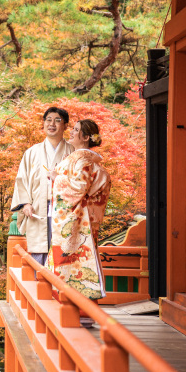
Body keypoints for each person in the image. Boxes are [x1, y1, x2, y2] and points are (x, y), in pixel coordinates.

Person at [47, 119, 111, 304]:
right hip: (80, 217)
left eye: (76, 130)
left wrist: (56, 178)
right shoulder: (83, 158)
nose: (71, 132)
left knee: (74, 261)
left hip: (77, 219)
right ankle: (78, 306)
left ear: (85, 137)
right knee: (76, 261)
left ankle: (76, 308)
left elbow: (80, 187)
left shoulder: (82, 159)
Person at [10, 107, 75, 265]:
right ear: (44, 123)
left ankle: (58, 288)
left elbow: (79, 182)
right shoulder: (32, 152)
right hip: (38, 208)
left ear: (65, 125)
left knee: (62, 251)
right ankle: (38, 286)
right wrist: (25, 203)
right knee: (39, 251)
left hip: (64, 208)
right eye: (48, 120)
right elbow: (21, 180)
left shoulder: (73, 151)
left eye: (57, 120)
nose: (52, 124)